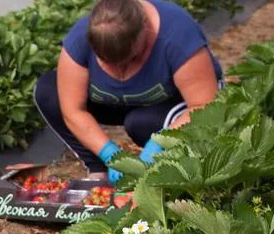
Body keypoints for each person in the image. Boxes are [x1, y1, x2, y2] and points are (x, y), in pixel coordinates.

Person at [34, 0, 223, 183]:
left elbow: (205, 106)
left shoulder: (176, 37)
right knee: (49, 92)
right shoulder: (79, 41)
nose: (120, 71)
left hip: (169, 105)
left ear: (145, 30)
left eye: (132, 59)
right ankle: (98, 169)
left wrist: (161, 142)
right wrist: (109, 153)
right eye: (107, 63)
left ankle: (172, 173)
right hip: (117, 103)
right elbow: (73, 111)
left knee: (140, 124)